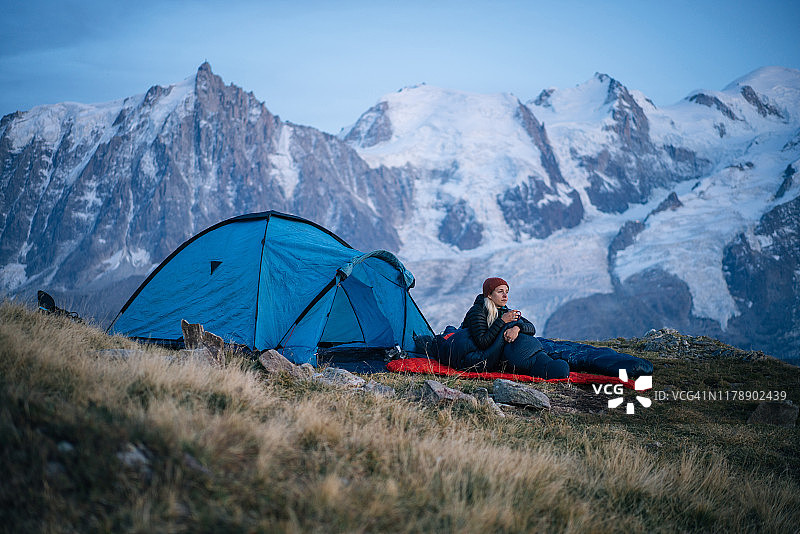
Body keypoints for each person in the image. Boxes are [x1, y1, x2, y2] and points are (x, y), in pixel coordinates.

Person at [450, 277, 569, 379]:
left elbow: (531, 328)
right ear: (489, 295)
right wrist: (502, 322)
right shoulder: (478, 311)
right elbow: (482, 342)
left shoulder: (504, 310)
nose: (505, 296)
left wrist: (516, 328)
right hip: (470, 352)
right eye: (500, 291)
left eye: (506, 291)